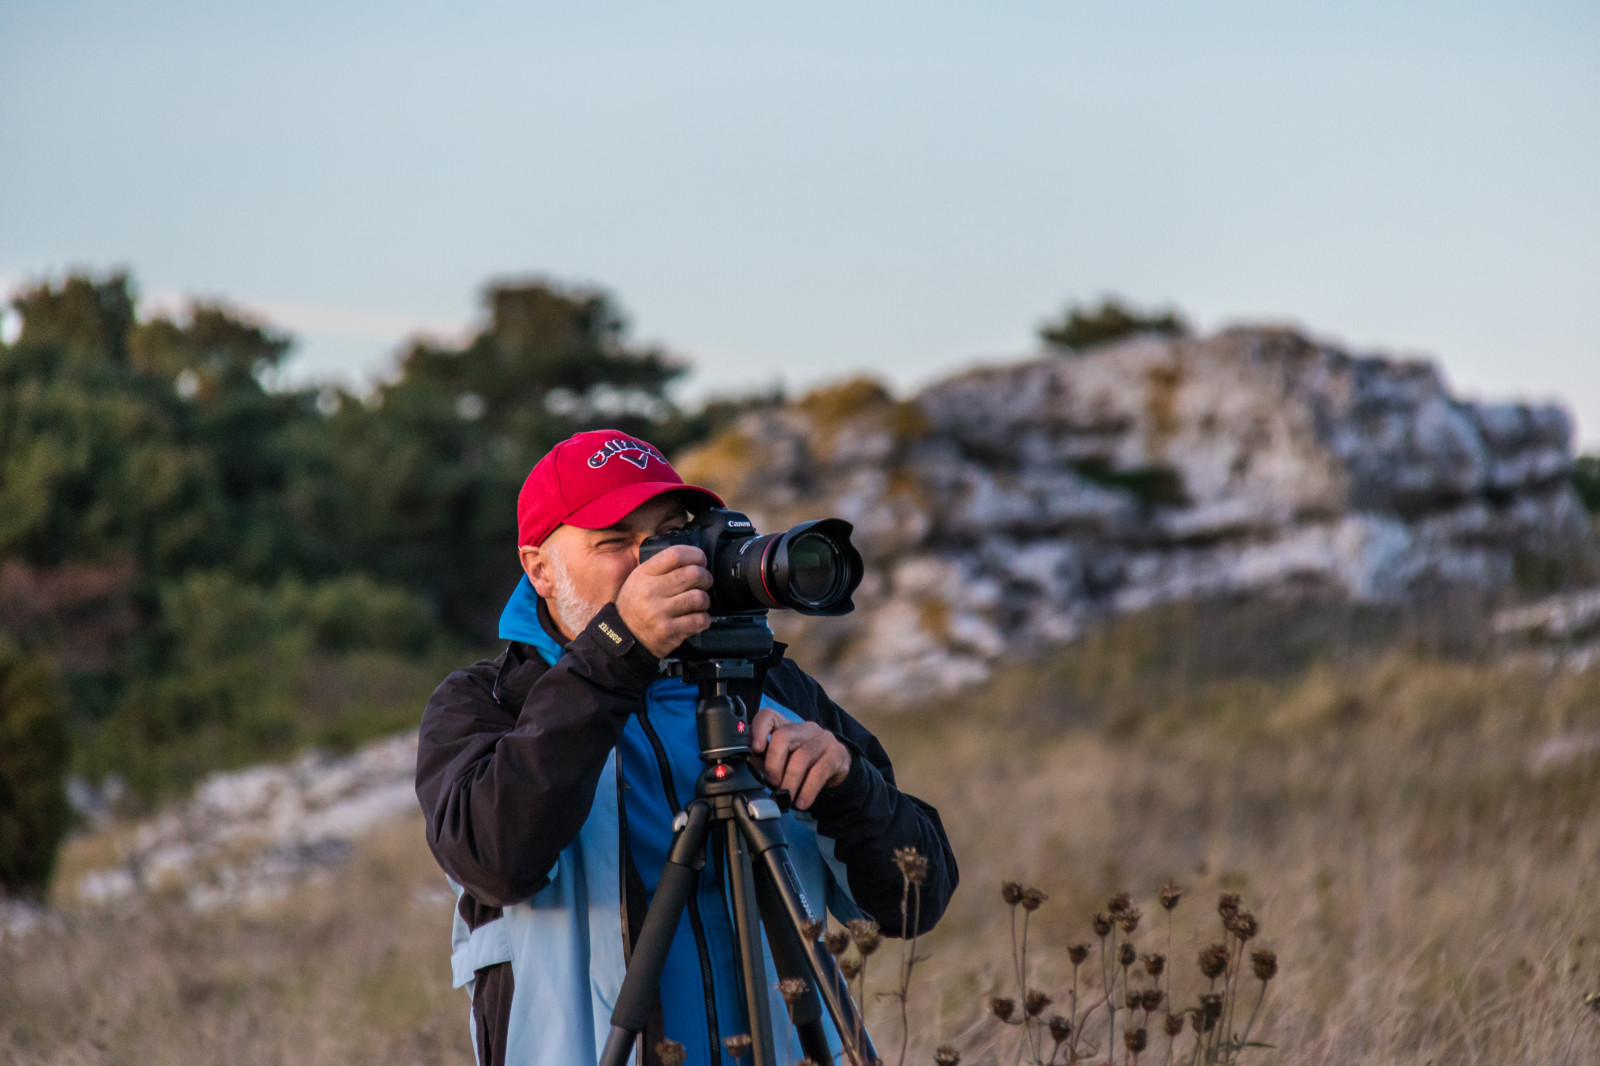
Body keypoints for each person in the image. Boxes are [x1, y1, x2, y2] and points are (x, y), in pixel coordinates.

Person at [415, 429, 958, 1066]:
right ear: (540, 568)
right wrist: (620, 651)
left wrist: (846, 783)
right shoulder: (490, 703)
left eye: (670, 533)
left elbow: (915, 901)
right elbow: (493, 859)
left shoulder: (768, 686)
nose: (654, 561)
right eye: (615, 541)